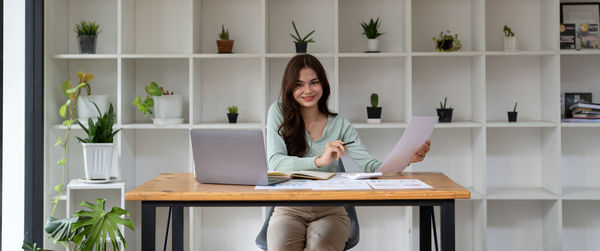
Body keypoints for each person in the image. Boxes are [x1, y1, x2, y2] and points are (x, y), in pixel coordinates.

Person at [266, 54, 431, 251]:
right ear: (289, 88)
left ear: (323, 85)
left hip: (330, 210)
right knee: (281, 246)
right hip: (288, 209)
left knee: (321, 246)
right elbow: (275, 163)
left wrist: (406, 159)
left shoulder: (340, 124)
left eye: (314, 82)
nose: (308, 90)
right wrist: (319, 161)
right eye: (299, 84)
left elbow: (372, 167)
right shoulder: (278, 112)